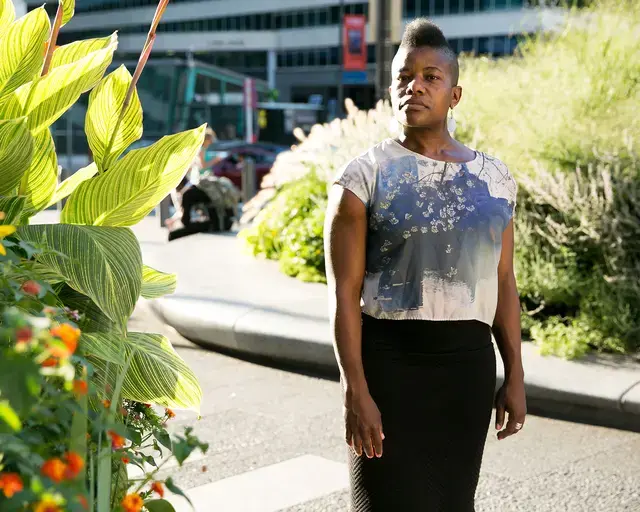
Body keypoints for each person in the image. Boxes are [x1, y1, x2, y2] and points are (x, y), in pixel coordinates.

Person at [323, 19, 526, 511]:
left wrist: (515, 375)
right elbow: (343, 294)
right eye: (404, 77)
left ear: (454, 94)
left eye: (431, 76)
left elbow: (503, 281)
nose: (415, 85)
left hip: (467, 374)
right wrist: (355, 390)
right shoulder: (362, 178)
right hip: (390, 369)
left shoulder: (495, 179)